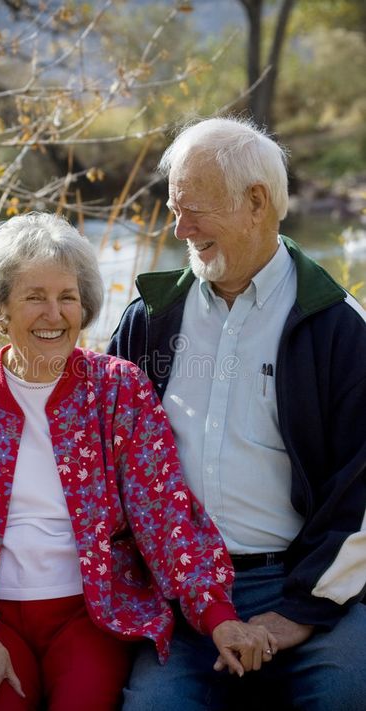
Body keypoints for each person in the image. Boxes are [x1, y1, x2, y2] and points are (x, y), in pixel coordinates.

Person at [0, 212, 275, 711]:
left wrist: (216, 613)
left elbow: (163, 512)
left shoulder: (118, 390)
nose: (54, 314)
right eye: (34, 297)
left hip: (90, 614)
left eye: (67, 298)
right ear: (1, 310)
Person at [108, 116, 366, 711]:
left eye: (193, 209)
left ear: (256, 203)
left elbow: (361, 491)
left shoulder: (337, 327)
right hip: (179, 592)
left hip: (305, 588)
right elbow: (103, 455)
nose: (179, 229)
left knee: (350, 693)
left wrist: (297, 613)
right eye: (174, 209)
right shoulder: (149, 319)